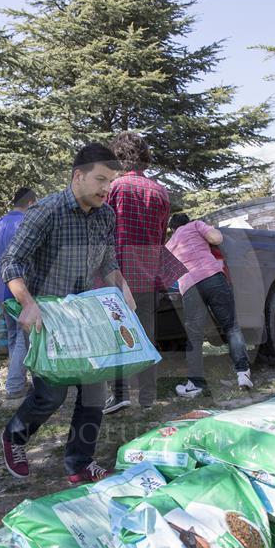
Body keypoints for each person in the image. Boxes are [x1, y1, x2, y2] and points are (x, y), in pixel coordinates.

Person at [0, 143, 136, 484]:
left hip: (83, 312)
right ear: (78, 176)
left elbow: (107, 261)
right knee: (52, 394)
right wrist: (28, 303)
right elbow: (11, 262)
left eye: (111, 181)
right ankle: (14, 436)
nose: (107, 188)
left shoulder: (106, 214)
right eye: (101, 180)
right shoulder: (46, 211)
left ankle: (79, 463)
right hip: (44, 312)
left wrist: (123, 288)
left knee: (93, 391)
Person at [102, 132, 171, 414]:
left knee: (117, 334)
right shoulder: (161, 191)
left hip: (118, 273)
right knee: (146, 335)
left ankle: (119, 394)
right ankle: (147, 396)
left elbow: (102, 228)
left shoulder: (115, 187)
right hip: (149, 272)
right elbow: (162, 234)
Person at [165, 213, 253, 398]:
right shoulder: (196, 225)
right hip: (213, 277)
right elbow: (216, 238)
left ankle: (195, 384)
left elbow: (167, 272)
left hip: (189, 287)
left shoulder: (170, 243)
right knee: (231, 326)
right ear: (187, 222)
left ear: (172, 229)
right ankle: (243, 373)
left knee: (194, 336)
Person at [0, 187, 37, 399]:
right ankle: (14, 385)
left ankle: (26, 382)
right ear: (31, 203)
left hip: (3, 291)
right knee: (27, 338)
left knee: (16, 337)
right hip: (23, 290)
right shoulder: (25, 223)